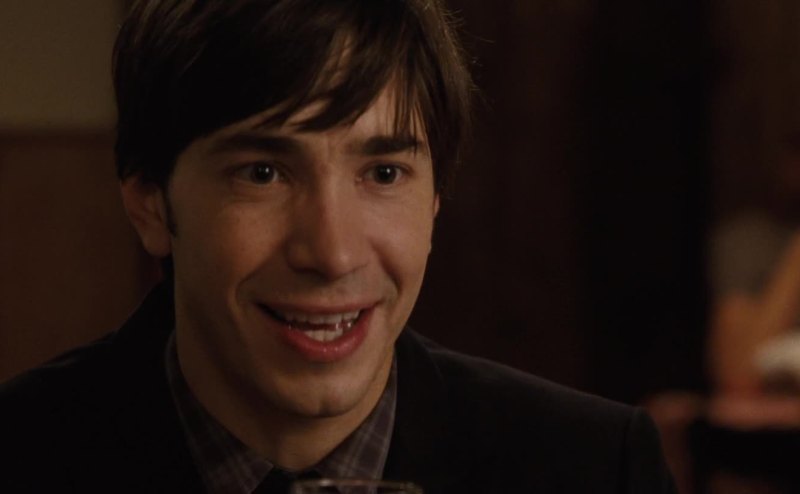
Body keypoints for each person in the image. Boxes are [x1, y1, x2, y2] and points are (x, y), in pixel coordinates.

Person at [0, 1, 676, 492]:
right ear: (150, 204)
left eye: (383, 174)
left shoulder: (593, 469)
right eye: (262, 173)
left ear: (434, 202)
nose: (333, 253)